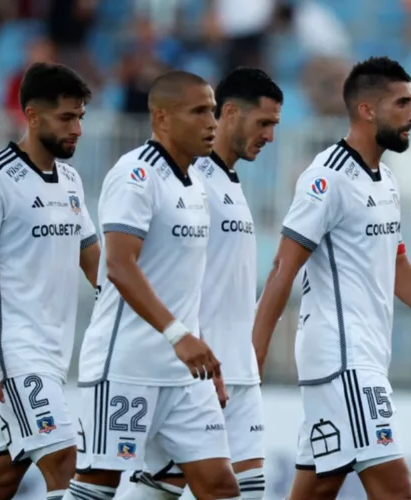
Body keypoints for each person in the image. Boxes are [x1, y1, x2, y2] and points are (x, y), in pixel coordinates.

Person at [252, 56, 411, 500]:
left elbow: (398, 269)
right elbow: (284, 265)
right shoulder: (327, 177)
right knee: (396, 489)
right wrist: (255, 352)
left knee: (318, 488)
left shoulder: (386, 181)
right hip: (343, 358)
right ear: (367, 110)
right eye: (402, 104)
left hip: (361, 356)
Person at [63, 71, 242, 500]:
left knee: (218, 484)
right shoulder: (135, 175)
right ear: (161, 118)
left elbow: (180, 282)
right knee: (97, 484)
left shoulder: (198, 182)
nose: (212, 122)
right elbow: (120, 267)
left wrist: (200, 349)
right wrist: (179, 336)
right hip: (127, 364)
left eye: (214, 110)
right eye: (198, 111)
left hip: (184, 373)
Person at [128, 68, 283, 500]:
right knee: (172, 485)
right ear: (230, 113)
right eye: (264, 123)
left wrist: (251, 354)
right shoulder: (190, 180)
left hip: (235, 368)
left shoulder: (226, 182)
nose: (270, 136)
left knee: (199, 486)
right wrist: (187, 342)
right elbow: (148, 270)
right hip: (198, 370)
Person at [0, 62, 99, 500]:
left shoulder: (70, 180)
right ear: (32, 116)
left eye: (81, 117)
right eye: (67, 117)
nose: (78, 129)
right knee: (65, 465)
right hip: (14, 355)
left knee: (0, 478)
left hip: (54, 353)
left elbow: (93, 259)